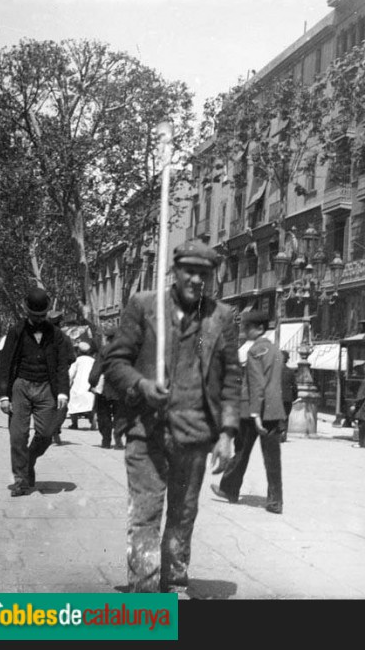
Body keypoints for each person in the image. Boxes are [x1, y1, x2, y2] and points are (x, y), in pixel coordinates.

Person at [103, 239, 240, 594]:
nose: (196, 280)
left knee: (183, 513)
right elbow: (114, 362)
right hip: (145, 429)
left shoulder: (221, 317)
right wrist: (141, 385)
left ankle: (175, 581)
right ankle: (146, 593)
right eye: (189, 272)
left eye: (203, 274)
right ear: (175, 272)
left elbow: (231, 377)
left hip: (195, 433)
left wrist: (227, 432)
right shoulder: (144, 305)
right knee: (145, 513)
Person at [0, 288, 71, 497]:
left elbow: (62, 365)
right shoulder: (16, 331)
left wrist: (62, 392)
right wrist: (3, 395)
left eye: (42, 315)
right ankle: (21, 481)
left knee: (46, 433)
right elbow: (5, 363)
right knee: (17, 435)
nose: (38, 319)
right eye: (34, 315)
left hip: (47, 387)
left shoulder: (56, 334)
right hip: (21, 386)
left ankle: (29, 460)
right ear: (26, 311)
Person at [211, 310, 286, 514]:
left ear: (260, 328)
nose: (244, 331)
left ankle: (229, 489)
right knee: (273, 459)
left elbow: (256, 385)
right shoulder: (276, 350)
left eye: (247, 328)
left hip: (252, 411)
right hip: (274, 411)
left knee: (241, 451)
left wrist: (255, 415)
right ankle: (275, 501)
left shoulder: (254, 351)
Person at [88, 326, 125, 449]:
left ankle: (106, 440)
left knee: (103, 414)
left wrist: (92, 382)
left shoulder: (104, 351)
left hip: (106, 388)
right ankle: (118, 439)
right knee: (120, 414)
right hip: (121, 387)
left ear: (108, 338)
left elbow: (97, 369)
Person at [48, 310, 76, 445]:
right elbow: (72, 358)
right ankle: (55, 428)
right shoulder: (65, 338)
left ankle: (46, 430)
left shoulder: (40, 337)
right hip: (60, 376)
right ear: (60, 322)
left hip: (43, 376)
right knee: (62, 405)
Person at [67, 341, 96, 430]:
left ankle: (74, 424)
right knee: (91, 406)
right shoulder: (93, 361)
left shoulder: (76, 361)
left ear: (78, 351)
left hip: (78, 387)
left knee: (73, 405)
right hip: (89, 387)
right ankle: (93, 422)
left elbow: (70, 374)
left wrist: (67, 385)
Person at [279, 350, 297, 443]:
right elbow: (294, 386)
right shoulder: (290, 372)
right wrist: (294, 397)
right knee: (285, 416)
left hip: (276, 397)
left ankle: (278, 433)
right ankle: (284, 434)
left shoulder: (274, 371)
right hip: (287, 398)